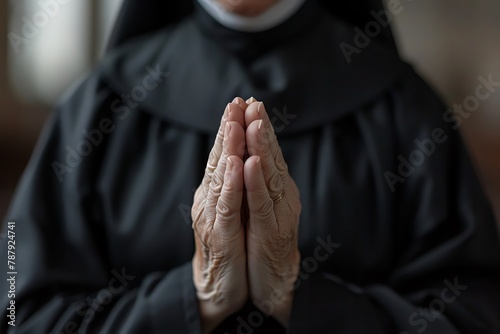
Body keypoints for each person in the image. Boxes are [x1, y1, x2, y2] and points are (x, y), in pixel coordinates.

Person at [1, 0, 500, 333]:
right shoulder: (101, 106)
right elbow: (17, 314)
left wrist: (296, 297)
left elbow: (474, 315)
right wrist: (196, 294)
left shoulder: (403, 110)